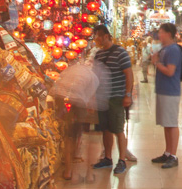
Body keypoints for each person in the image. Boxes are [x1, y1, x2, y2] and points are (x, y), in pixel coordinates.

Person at [90, 25, 133, 175]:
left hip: (116, 97)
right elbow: (96, 77)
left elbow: (129, 75)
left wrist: (128, 95)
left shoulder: (121, 53)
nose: (97, 39)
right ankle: (107, 158)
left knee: (118, 129)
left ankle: (122, 160)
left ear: (106, 36)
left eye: (98, 36)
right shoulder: (98, 55)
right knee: (105, 129)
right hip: (103, 98)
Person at [50, 60, 100, 180]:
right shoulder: (93, 77)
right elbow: (89, 99)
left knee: (69, 136)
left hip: (60, 96)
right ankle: (88, 174)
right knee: (88, 138)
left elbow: (56, 86)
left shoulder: (69, 71)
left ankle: (68, 171)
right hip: (79, 101)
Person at [150, 23, 182, 169]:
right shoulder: (164, 49)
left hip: (170, 91)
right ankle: (167, 152)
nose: (159, 35)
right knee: (166, 123)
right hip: (163, 90)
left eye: (162, 32)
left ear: (169, 34)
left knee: (171, 123)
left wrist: (156, 62)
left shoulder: (174, 50)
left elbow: (170, 71)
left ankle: (174, 156)